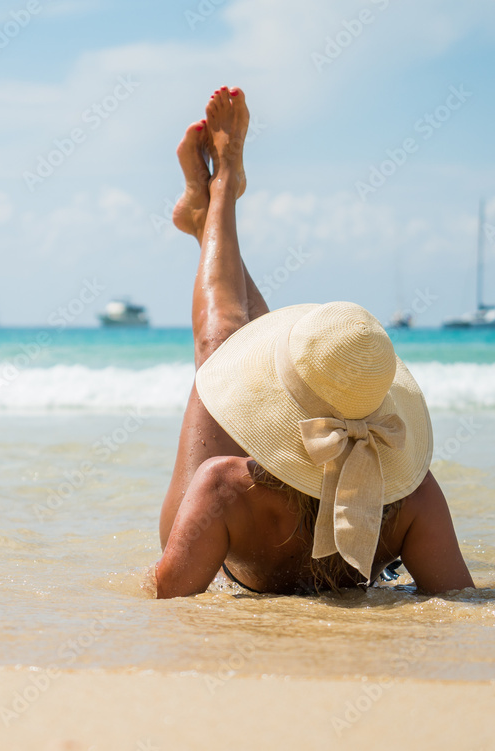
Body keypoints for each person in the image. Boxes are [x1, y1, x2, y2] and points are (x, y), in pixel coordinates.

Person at [155, 86, 474, 599]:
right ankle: (215, 206)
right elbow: (460, 603)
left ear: (276, 407)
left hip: (213, 554)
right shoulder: (415, 497)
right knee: (233, 339)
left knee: (220, 345)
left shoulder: (222, 488)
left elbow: (164, 596)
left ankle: (217, 202)